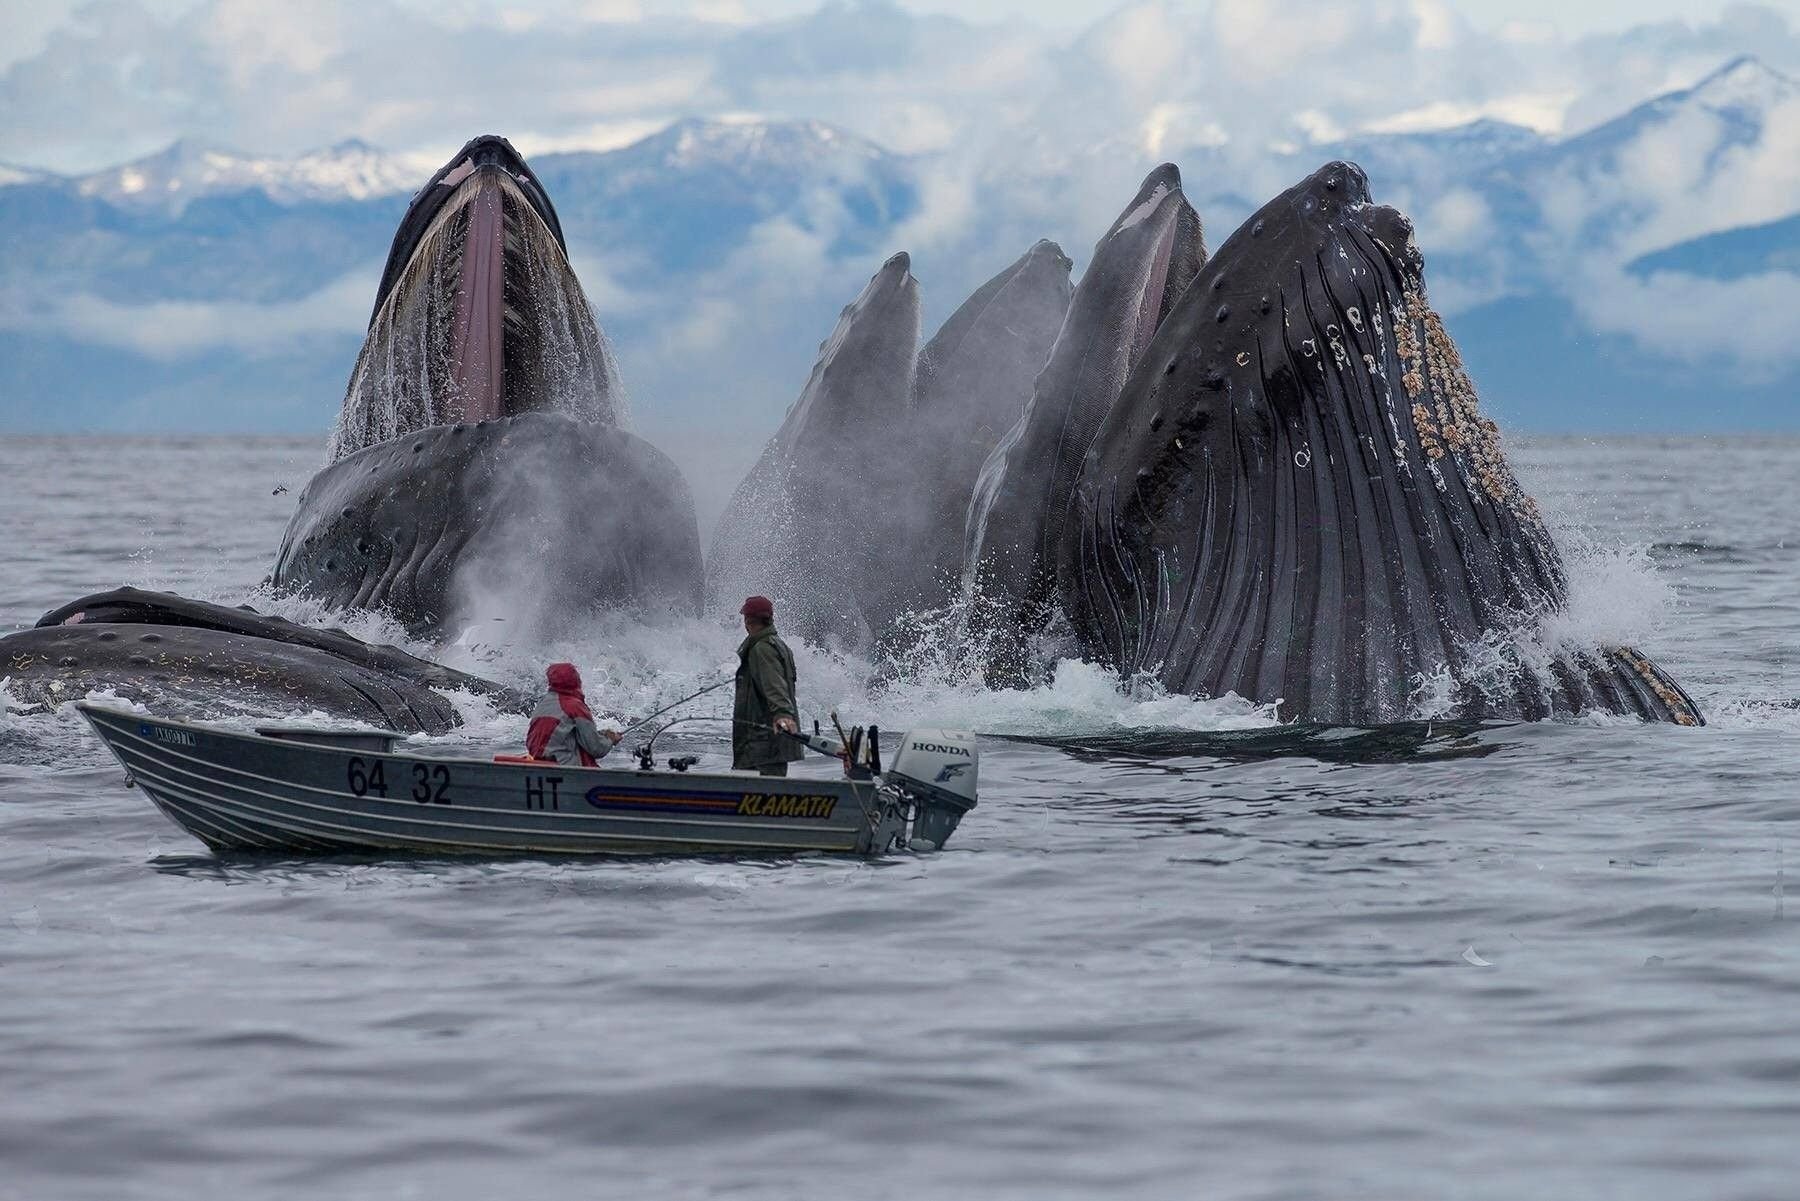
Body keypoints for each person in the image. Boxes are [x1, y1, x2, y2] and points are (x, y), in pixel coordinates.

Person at [733, 596, 804, 776]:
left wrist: (782, 714)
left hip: (764, 738)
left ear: (748, 620)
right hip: (772, 738)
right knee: (772, 792)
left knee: (764, 796)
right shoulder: (779, 645)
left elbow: (775, 684)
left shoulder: (762, 648)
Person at [526, 662, 622, 767]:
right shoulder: (575, 707)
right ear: (577, 681)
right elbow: (596, 749)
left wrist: (603, 734)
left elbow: (563, 736)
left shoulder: (543, 702)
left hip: (537, 761)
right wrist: (611, 740)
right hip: (563, 766)